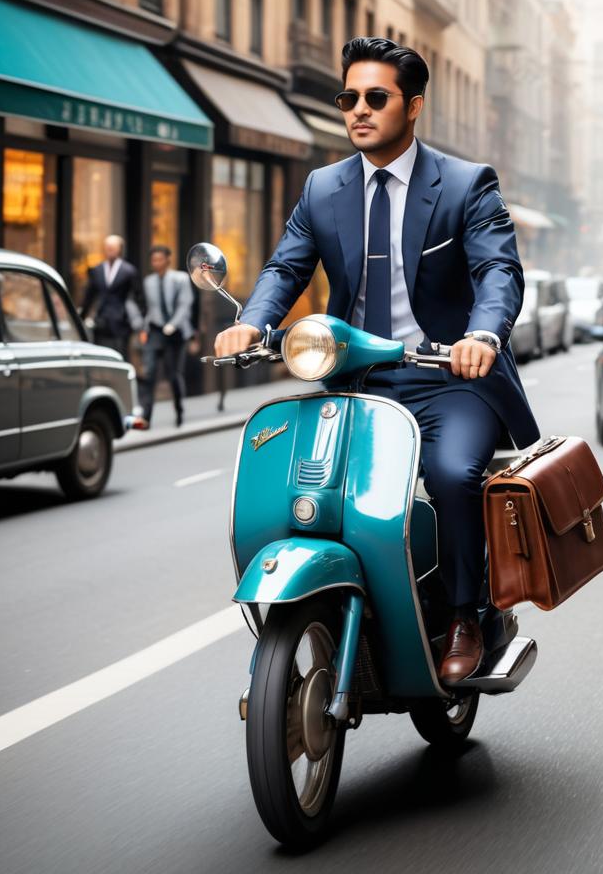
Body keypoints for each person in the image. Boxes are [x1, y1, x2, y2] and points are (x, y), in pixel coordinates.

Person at [214, 37, 540, 685]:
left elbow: (499, 271)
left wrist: (483, 335)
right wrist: (252, 321)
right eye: (348, 98)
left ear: (413, 105)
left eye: (375, 98)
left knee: (452, 476)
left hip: (449, 379)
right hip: (356, 379)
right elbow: (287, 266)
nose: (357, 110)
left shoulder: (466, 185)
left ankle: (465, 615)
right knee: (306, 491)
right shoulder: (323, 187)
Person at [137, 245, 195, 428]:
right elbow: (150, 309)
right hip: (155, 331)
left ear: (168, 260)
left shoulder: (181, 279)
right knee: (149, 372)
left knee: (173, 375)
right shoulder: (148, 282)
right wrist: (144, 328)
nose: (156, 263)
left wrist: (173, 324)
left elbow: (185, 304)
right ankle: (146, 416)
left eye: (160, 259)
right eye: (153, 260)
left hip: (175, 333)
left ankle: (179, 410)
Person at [79, 235, 144, 357]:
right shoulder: (97, 270)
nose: (110, 250)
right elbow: (89, 296)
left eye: (113, 248)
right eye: (108, 248)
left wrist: (139, 321)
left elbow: (138, 297)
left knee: (120, 355)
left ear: (119, 249)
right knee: (100, 355)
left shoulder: (129, 271)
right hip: (101, 320)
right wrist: (81, 317)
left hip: (122, 321)